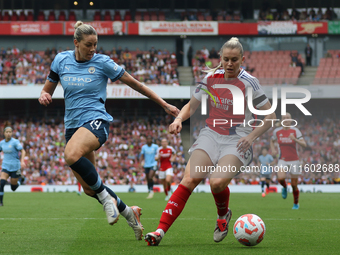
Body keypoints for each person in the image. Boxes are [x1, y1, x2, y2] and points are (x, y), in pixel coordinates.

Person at [38, 21, 179, 240]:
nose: (93, 49)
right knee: (89, 188)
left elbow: (136, 84)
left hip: (96, 122)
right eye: (88, 45)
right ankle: (129, 212)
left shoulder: (103, 63)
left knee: (70, 155)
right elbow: (47, 89)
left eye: (95, 44)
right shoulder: (60, 60)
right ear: (76, 43)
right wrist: (44, 95)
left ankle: (107, 201)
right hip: (73, 127)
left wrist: (164, 104)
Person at [144, 37, 276, 246]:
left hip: (238, 138)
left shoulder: (250, 83)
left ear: (242, 59)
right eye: (226, 59)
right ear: (220, 59)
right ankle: (160, 231)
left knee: (216, 182)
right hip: (211, 134)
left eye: (234, 59)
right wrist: (178, 118)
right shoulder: (211, 78)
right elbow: (192, 106)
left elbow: (271, 117)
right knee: (189, 179)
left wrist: (251, 137)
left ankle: (223, 216)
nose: (230, 64)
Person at [270, 113, 307, 210]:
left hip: (294, 160)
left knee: (294, 185)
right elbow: (272, 141)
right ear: (281, 120)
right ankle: (285, 187)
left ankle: (296, 203)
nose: (286, 119)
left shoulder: (295, 131)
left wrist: (295, 139)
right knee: (281, 178)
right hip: (282, 159)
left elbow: (304, 144)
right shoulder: (277, 131)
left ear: (291, 120)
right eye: (284, 118)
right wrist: (273, 149)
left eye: (288, 118)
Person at [0, 126, 26, 206]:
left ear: (12, 133)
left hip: (15, 167)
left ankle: (20, 181)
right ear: (4, 133)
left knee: (13, 188)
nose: (8, 133)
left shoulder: (15, 142)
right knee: (1, 183)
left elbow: (23, 151)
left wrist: (22, 161)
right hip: (5, 166)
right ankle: (1, 202)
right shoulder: (2, 143)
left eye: (10, 132)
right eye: (7, 132)